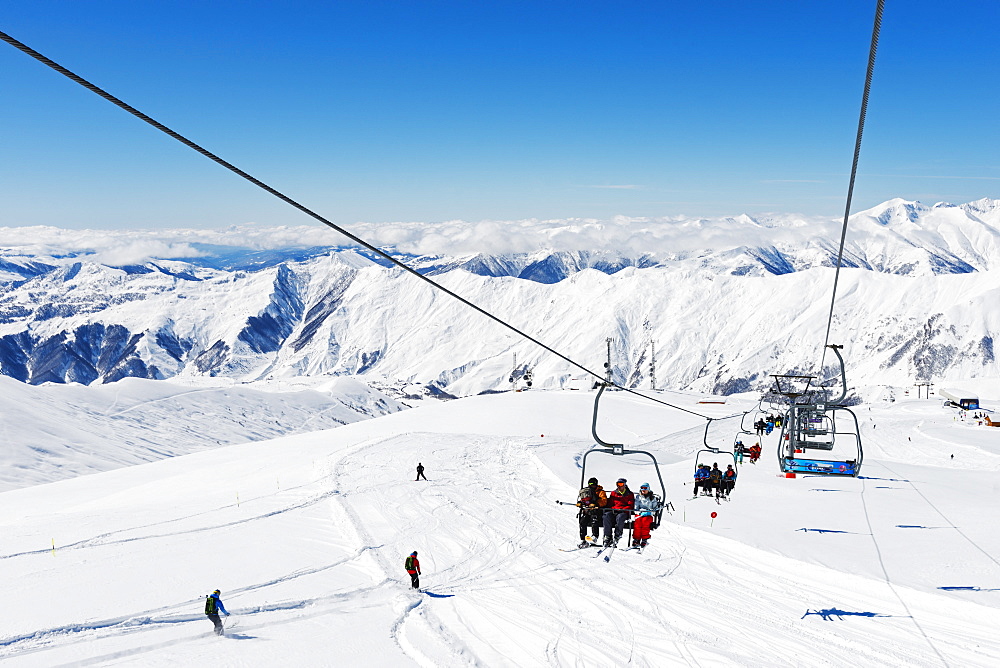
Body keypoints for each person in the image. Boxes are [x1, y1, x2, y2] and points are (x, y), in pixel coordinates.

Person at [576, 477, 608, 547]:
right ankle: (583, 539)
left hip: (598, 511)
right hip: (588, 511)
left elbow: (604, 501)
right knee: (583, 521)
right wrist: (580, 503)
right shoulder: (587, 491)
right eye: (590, 484)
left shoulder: (600, 492)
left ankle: (594, 537)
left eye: (593, 484)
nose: (591, 486)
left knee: (594, 519)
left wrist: (596, 504)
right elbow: (584, 499)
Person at [603, 478, 635, 546]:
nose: (619, 486)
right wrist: (614, 508)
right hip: (614, 511)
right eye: (617, 484)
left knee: (620, 517)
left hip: (624, 512)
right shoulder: (614, 493)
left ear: (625, 485)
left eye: (621, 484)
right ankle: (607, 536)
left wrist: (622, 509)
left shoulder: (629, 494)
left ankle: (617, 535)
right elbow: (610, 504)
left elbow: (630, 505)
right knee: (606, 515)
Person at [631, 483, 661, 548]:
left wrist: (650, 512)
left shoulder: (652, 498)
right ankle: (636, 539)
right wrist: (639, 512)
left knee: (645, 523)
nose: (643, 490)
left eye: (645, 488)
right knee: (637, 524)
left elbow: (655, 509)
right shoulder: (638, 497)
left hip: (648, 515)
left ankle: (644, 539)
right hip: (639, 514)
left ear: (648, 489)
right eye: (642, 488)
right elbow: (636, 507)